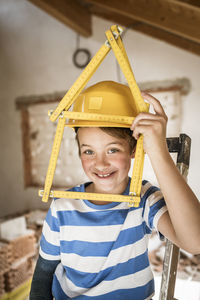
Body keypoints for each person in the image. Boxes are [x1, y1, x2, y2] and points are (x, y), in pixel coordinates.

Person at [30, 81, 200, 300]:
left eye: (112, 149)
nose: (100, 163)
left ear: (133, 150)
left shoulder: (143, 198)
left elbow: (195, 242)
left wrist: (158, 152)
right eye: (88, 151)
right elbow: (43, 274)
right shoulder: (62, 208)